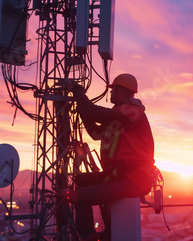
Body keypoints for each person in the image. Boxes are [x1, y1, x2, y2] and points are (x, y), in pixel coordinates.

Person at [64, 73, 155, 241]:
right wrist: (82, 107)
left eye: (113, 90)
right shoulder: (119, 118)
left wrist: (77, 92)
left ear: (120, 91)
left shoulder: (132, 111)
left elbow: (93, 113)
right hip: (121, 174)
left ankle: (88, 238)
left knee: (81, 198)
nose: (110, 94)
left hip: (134, 178)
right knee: (80, 182)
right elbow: (94, 131)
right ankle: (107, 235)